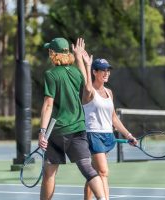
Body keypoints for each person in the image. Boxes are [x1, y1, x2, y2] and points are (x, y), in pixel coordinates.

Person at [38, 37, 106, 200]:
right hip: (79, 129)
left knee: (49, 172)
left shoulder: (51, 74)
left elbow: (48, 104)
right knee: (88, 169)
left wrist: (42, 131)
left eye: (50, 51)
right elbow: (89, 88)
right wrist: (82, 60)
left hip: (58, 131)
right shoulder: (76, 72)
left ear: (53, 54)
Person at [74, 41, 138, 200]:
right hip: (92, 135)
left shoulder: (109, 92)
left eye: (108, 70)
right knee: (103, 172)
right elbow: (85, 79)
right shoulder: (89, 92)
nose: (107, 72)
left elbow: (113, 118)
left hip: (107, 135)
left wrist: (128, 134)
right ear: (94, 72)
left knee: (93, 174)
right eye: (103, 70)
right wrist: (80, 59)